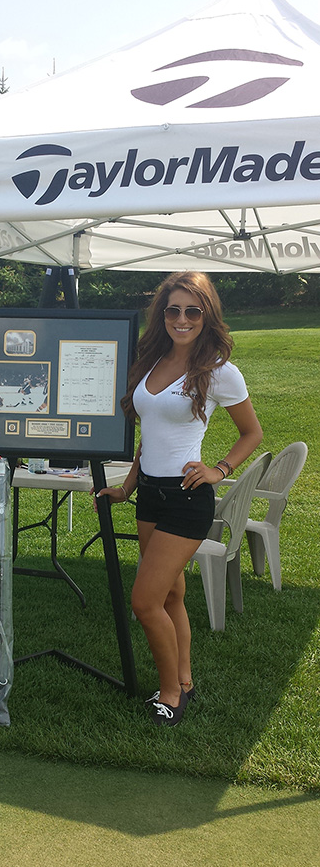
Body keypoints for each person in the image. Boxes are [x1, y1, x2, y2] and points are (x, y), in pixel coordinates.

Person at [95, 271, 263, 726]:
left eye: (193, 311)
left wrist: (219, 470)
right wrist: (127, 487)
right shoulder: (151, 361)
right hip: (149, 495)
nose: (182, 319)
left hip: (187, 498)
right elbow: (149, 438)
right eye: (174, 310)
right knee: (170, 594)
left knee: (144, 601)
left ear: (207, 316)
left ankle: (170, 693)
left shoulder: (218, 371)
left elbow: (252, 432)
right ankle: (184, 679)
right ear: (162, 314)